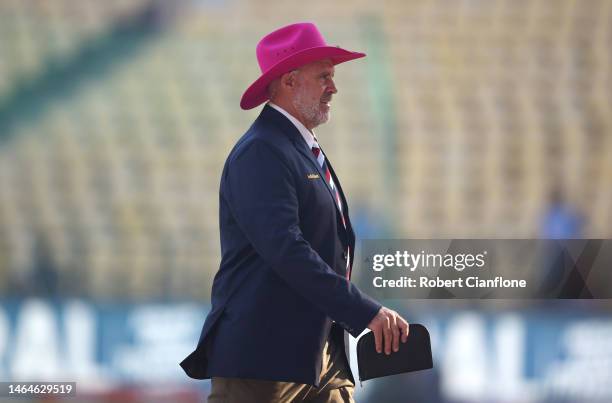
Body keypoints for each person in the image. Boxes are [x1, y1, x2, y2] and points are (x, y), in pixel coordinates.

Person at [180, 22, 409, 403]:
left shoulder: (295, 148)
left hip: (320, 356)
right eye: (324, 77)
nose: (333, 87)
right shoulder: (262, 151)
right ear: (289, 81)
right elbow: (286, 249)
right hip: (264, 361)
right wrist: (362, 309)